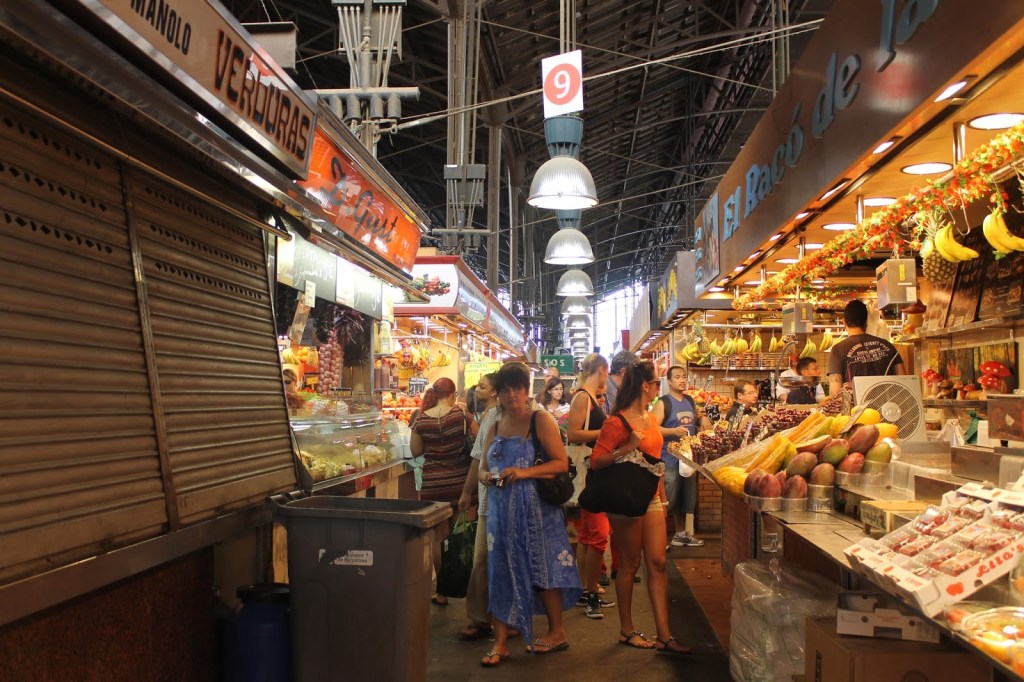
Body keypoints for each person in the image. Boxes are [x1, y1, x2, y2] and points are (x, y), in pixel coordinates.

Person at [479, 362, 582, 667]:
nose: (512, 395)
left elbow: (560, 463)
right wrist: (486, 477)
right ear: (498, 394)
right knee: (499, 572)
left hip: (538, 513)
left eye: (518, 388)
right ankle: (500, 643)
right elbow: (483, 466)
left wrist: (523, 473)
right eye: (505, 390)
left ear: (527, 391)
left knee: (543, 569)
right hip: (501, 514)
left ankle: (557, 632)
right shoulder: (494, 426)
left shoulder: (540, 420)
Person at [590, 361, 690, 654]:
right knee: (630, 563)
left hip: (652, 497)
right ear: (645, 386)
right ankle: (627, 629)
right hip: (626, 500)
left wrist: (663, 496)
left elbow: (656, 462)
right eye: (657, 383)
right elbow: (596, 461)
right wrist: (628, 446)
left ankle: (664, 635)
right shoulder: (616, 422)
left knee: (657, 562)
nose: (659, 387)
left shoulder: (650, 418)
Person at [410, 377, 479, 606]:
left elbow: (415, 451)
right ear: (453, 394)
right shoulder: (461, 415)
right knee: (462, 535)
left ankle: (442, 591)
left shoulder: (421, 419)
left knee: (439, 538)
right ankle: (465, 585)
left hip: (433, 485)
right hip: (460, 483)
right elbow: (480, 443)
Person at [565, 353, 615, 620]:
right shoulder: (583, 397)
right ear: (603, 370)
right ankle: (590, 593)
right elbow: (573, 433)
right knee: (597, 534)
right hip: (587, 473)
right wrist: (607, 431)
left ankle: (586, 588)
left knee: (587, 534)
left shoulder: (592, 397)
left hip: (593, 471)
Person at [457, 374, 499, 641]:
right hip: (487, 501)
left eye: (483, 386)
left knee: (497, 561)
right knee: (481, 560)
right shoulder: (487, 417)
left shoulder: (522, 417)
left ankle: (505, 618)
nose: (477, 390)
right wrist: (467, 492)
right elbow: (477, 460)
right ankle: (480, 618)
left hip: (508, 502)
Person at [653, 365, 710, 549]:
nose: (682, 380)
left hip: (687, 460)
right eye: (677, 377)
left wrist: (702, 419)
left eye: (684, 376)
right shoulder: (663, 403)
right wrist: (673, 431)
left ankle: (681, 535)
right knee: (668, 500)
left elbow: (697, 418)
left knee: (686, 499)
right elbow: (652, 428)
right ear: (669, 381)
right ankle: (657, 539)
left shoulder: (689, 400)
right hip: (669, 459)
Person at [828, 299, 906, 399]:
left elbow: (835, 393)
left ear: (844, 322)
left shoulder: (838, 350)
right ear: (866, 322)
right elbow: (904, 381)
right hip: (889, 406)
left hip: (857, 408)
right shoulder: (887, 345)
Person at [604, 350, 637, 416]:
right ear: (623, 372)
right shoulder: (604, 389)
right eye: (635, 373)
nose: (636, 378)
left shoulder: (620, 389)